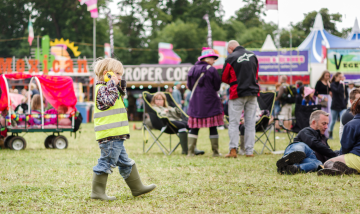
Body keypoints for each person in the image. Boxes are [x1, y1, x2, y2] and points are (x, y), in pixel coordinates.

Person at [91, 58, 156, 201]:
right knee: (106, 162)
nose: (120, 77)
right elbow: (109, 102)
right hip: (110, 135)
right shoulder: (102, 89)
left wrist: (117, 84)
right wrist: (112, 84)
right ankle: (97, 192)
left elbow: (119, 96)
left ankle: (137, 188)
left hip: (116, 134)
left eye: (121, 74)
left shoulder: (110, 88)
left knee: (125, 161)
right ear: (106, 73)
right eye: (117, 73)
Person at [221, 40, 259, 158]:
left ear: (231, 48)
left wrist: (233, 83)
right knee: (250, 123)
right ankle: (249, 151)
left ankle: (233, 150)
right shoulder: (253, 56)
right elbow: (256, 74)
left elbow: (224, 77)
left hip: (237, 93)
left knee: (234, 123)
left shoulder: (231, 58)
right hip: (252, 92)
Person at [187, 47, 224, 157]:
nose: (214, 61)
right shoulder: (212, 70)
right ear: (207, 58)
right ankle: (216, 152)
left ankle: (190, 152)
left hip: (196, 102)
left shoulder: (192, 69)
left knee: (194, 128)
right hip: (211, 102)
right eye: (213, 58)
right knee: (213, 127)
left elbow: (189, 86)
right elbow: (217, 86)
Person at [276, 110, 338, 174]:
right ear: (314, 122)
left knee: (318, 164)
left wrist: (340, 154)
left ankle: (293, 168)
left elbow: (328, 153)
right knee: (301, 146)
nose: (326, 127)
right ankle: (285, 160)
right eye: (324, 124)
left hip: (311, 160)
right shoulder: (306, 131)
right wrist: (333, 154)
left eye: (327, 124)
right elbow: (314, 144)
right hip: (302, 151)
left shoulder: (323, 138)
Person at [318, 97, 360, 176]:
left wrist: (341, 156)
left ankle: (341, 170)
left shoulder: (351, 125)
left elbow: (345, 147)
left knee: (328, 162)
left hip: (357, 158)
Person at [329, 72, 347, 139]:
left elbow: (346, 94)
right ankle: (330, 135)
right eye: (340, 77)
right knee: (333, 121)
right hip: (334, 106)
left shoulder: (343, 84)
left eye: (341, 77)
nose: (341, 78)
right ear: (336, 77)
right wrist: (340, 83)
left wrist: (345, 102)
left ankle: (343, 136)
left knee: (343, 121)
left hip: (342, 106)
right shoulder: (332, 84)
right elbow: (337, 91)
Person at [314, 70, 332, 137]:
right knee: (321, 115)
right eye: (326, 76)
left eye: (328, 76)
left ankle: (326, 132)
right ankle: (320, 132)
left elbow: (330, 92)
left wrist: (330, 85)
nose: (327, 77)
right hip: (321, 99)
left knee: (329, 116)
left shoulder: (328, 83)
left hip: (328, 100)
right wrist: (323, 97)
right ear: (323, 75)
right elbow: (315, 93)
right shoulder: (319, 82)